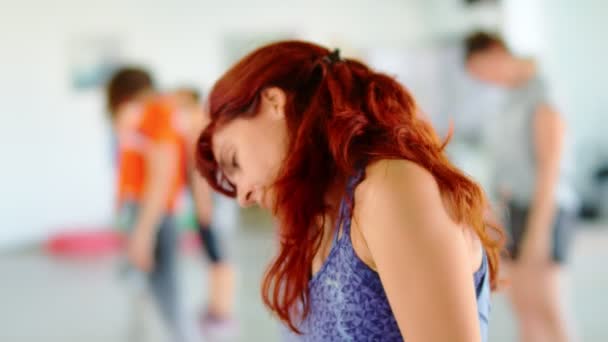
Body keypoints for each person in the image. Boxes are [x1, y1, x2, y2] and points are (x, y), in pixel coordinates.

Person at [195, 41, 504, 341]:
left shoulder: (390, 188)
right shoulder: (319, 218)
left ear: (274, 102)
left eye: (234, 160)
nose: (242, 195)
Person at [465, 31, 578, 342]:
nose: (486, 80)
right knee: (524, 308)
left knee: (548, 308)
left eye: (483, 69)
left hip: (544, 209)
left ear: (497, 52)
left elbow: (550, 170)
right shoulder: (508, 99)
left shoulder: (543, 94)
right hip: (513, 210)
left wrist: (538, 234)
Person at [107, 67, 188, 341]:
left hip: (154, 214)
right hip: (141, 211)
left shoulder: (157, 112)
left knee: (166, 294)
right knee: (144, 289)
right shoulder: (141, 116)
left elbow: (161, 177)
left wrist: (143, 233)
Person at [173, 87, 238, 336]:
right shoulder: (203, 129)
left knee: (218, 259)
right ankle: (217, 310)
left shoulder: (197, 131)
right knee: (217, 258)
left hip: (211, 206)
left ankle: (220, 313)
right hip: (212, 205)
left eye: (179, 104)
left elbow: (199, 175)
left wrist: (203, 210)